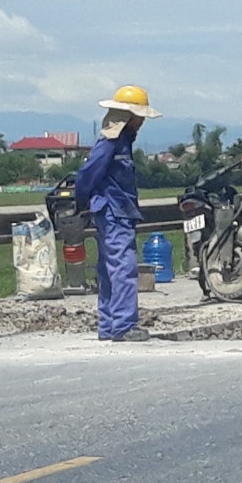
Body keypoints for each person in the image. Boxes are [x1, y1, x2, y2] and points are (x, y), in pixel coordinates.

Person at [74, 85, 161, 341]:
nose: (142, 121)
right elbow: (88, 174)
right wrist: (82, 201)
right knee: (123, 267)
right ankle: (123, 325)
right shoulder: (111, 143)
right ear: (129, 117)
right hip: (114, 213)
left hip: (116, 212)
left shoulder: (122, 142)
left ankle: (110, 324)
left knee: (109, 268)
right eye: (139, 116)